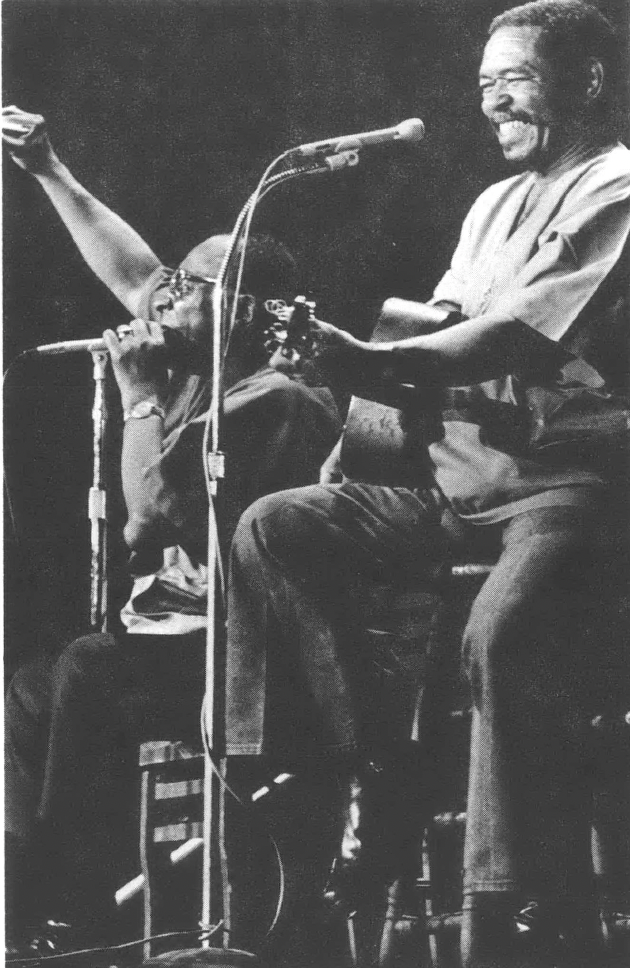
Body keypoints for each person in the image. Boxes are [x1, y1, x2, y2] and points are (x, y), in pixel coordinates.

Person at [222, 2, 630, 966]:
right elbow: (431, 329)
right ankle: (370, 768)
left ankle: (504, 913)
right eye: (483, 81)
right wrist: (351, 369)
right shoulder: (491, 206)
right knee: (277, 524)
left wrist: (365, 354)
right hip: (456, 491)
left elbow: (508, 334)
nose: (491, 99)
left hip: (568, 489)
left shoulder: (619, 186)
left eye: (514, 78)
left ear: (587, 82)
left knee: (503, 631)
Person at [2, 107, 342, 951]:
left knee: (86, 666)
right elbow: (132, 265)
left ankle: (67, 895)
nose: (164, 291)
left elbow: (152, 520)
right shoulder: (194, 357)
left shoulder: (279, 399)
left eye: (191, 285)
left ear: (252, 315)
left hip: (237, 656)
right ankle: (17, 897)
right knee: (21, 693)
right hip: (169, 637)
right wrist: (48, 167)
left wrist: (139, 401)